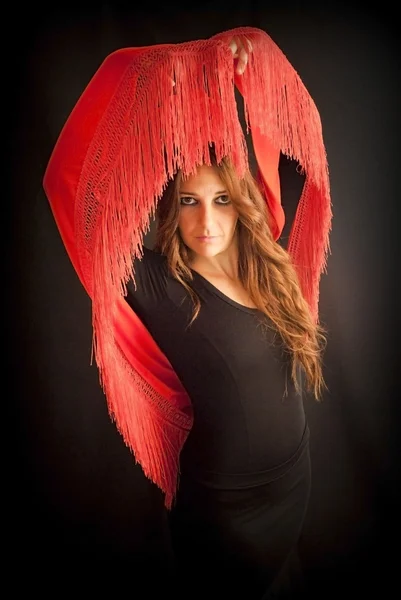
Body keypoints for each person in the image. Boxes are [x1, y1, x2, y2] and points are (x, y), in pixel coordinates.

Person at [43, 26, 332, 599]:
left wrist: (252, 54)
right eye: (190, 202)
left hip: (294, 481)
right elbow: (66, 183)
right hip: (229, 509)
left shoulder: (267, 258)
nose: (207, 222)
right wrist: (167, 78)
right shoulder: (157, 282)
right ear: (171, 209)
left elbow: (303, 139)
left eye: (222, 200)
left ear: (241, 203)